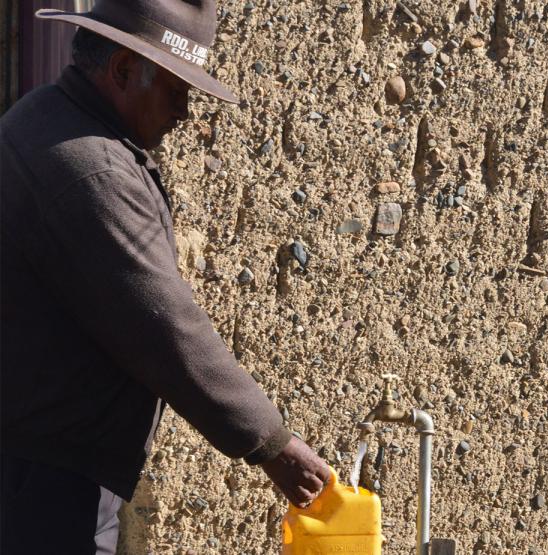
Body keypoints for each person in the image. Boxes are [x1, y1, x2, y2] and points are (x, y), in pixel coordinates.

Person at [0, 1, 329, 553]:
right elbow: (164, 325)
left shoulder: (45, 118)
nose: (184, 109)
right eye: (176, 86)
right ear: (124, 70)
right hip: (42, 481)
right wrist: (273, 444)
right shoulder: (91, 168)